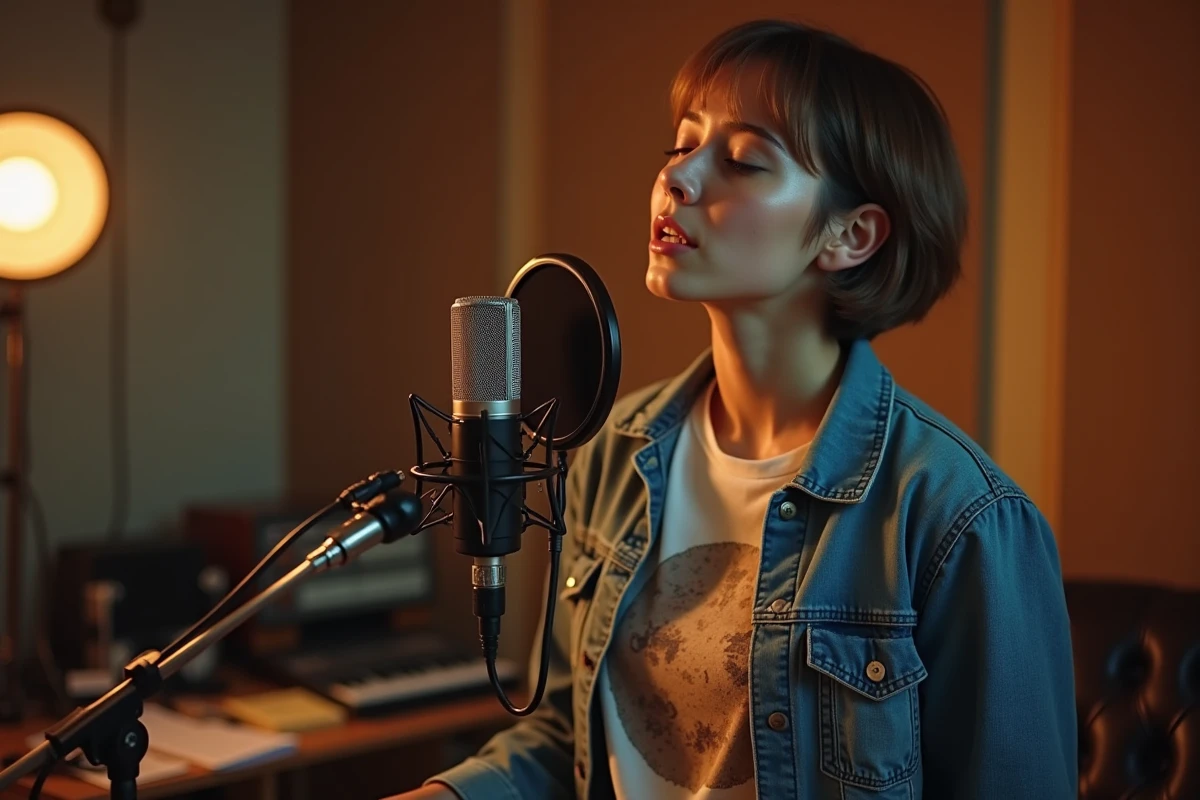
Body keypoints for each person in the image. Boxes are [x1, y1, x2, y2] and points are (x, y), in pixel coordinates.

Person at [391, 18, 1077, 800]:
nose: (677, 180)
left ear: (851, 235)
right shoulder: (614, 453)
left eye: (744, 160)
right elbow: (570, 733)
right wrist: (448, 795)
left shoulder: (961, 518)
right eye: (679, 146)